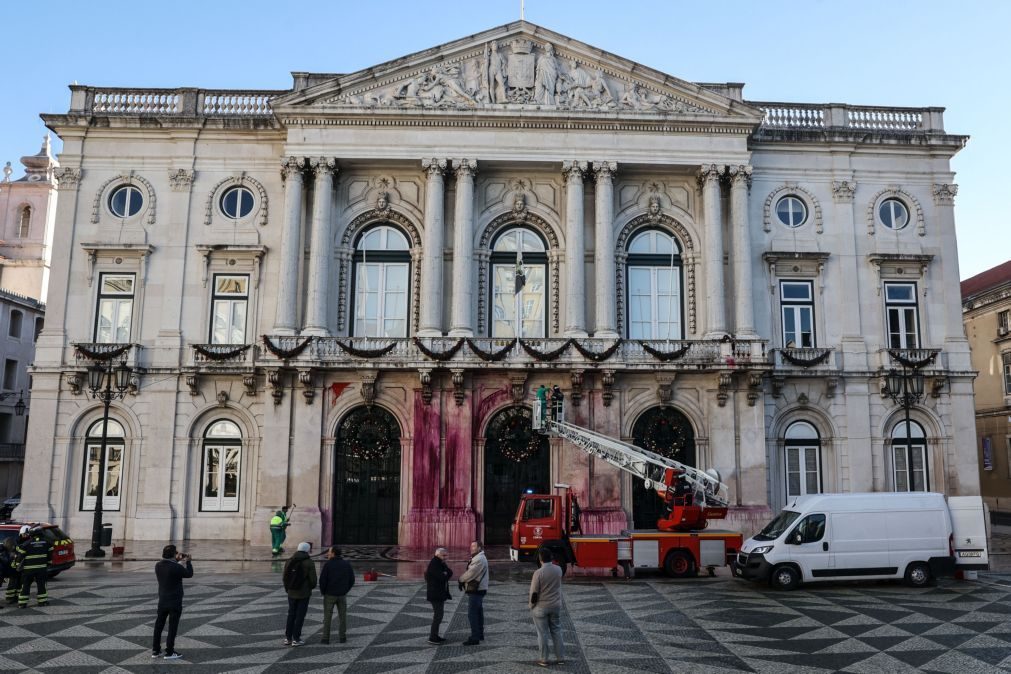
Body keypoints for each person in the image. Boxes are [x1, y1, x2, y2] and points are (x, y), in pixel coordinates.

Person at [153, 544, 193, 660]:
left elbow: (169, 564)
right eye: (176, 553)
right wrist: (188, 562)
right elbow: (189, 574)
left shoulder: (158, 565)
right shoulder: (176, 567)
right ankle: (170, 652)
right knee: (172, 627)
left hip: (162, 601)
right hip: (174, 602)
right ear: (173, 555)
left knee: (158, 626)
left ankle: (155, 650)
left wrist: (176, 559)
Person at [529, 547, 565, 667]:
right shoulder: (558, 570)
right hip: (555, 606)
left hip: (541, 606)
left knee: (542, 633)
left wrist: (531, 606)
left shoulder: (538, 573)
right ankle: (560, 657)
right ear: (551, 558)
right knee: (557, 630)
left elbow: (534, 592)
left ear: (540, 559)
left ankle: (544, 659)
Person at [282, 542, 317, 647]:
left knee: (291, 614)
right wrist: (310, 587)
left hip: (291, 592)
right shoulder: (309, 562)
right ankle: (296, 638)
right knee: (300, 615)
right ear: (307, 550)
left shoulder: (289, 560)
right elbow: (313, 580)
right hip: (304, 593)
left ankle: (288, 638)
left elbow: (285, 577)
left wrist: (287, 589)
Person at [318, 546, 355, 644]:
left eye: (329, 552)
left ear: (333, 553)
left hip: (329, 594)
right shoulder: (346, 564)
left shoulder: (328, 565)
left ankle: (325, 638)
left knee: (327, 617)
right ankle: (342, 637)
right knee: (342, 616)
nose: (328, 554)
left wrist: (323, 591)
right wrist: (345, 590)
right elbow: (352, 579)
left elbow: (322, 580)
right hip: (342, 594)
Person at [458, 540, 488, 646]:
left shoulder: (479, 559)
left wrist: (460, 579)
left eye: (474, 546)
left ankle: (475, 637)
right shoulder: (477, 557)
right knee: (478, 612)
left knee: (472, 614)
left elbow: (471, 573)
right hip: (479, 589)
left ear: (479, 548)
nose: (471, 548)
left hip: (476, 589)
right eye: (471, 546)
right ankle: (480, 634)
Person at [15, 526, 51, 608]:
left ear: (31, 535)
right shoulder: (47, 543)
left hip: (28, 570)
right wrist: (48, 564)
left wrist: (17, 566)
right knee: (42, 585)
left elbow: (20, 557)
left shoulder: (26, 544)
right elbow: (50, 556)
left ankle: (22, 603)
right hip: (41, 569)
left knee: (25, 586)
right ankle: (42, 602)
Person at [425, 547, 453, 644]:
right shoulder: (435, 564)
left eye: (446, 555)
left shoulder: (440, 563)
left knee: (439, 615)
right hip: (435, 594)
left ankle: (435, 635)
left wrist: (445, 573)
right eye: (443, 555)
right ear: (437, 555)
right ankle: (432, 637)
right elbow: (442, 577)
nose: (445, 557)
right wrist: (445, 574)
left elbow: (450, 572)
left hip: (438, 593)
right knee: (438, 615)